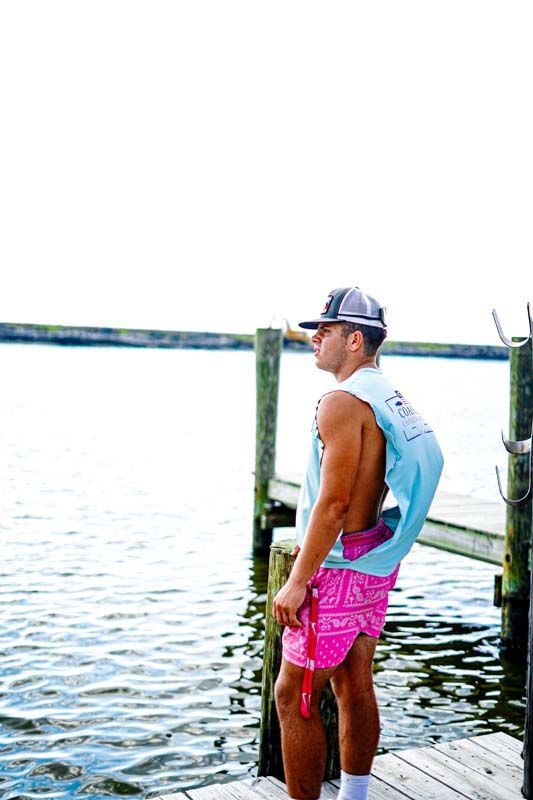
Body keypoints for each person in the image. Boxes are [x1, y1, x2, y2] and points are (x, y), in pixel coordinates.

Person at [272, 287, 444, 800]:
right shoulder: (385, 394)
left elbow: (335, 504)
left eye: (325, 329)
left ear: (354, 340)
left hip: (337, 567)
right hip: (374, 560)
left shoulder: (342, 402)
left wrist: (298, 582)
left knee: (293, 695)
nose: (314, 336)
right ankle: (354, 796)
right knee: (353, 680)